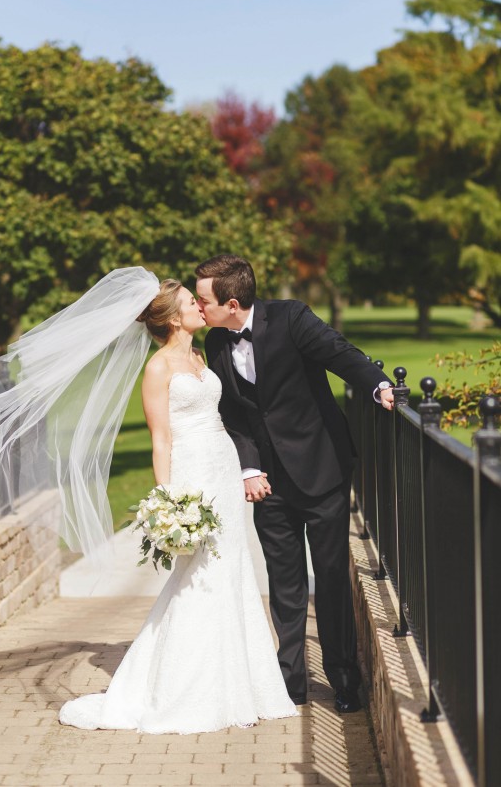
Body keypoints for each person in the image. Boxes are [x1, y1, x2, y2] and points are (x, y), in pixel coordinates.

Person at [59, 278, 298, 732]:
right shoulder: (158, 367)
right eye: (192, 301)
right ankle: (188, 689)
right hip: (192, 475)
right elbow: (161, 439)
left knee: (231, 571)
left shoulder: (200, 355)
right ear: (173, 318)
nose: (200, 306)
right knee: (200, 576)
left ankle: (242, 684)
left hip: (223, 469)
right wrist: (167, 500)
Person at [195, 254, 394, 713]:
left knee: (330, 579)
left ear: (230, 301)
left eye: (203, 300)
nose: (199, 307)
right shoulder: (216, 343)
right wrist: (249, 467)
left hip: (322, 469)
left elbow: (339, 353)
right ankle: (291, 686)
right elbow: (234, 415)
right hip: (269, 483)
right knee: (284, 585)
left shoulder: (291, 318)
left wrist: (377, 384)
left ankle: (345, 680)